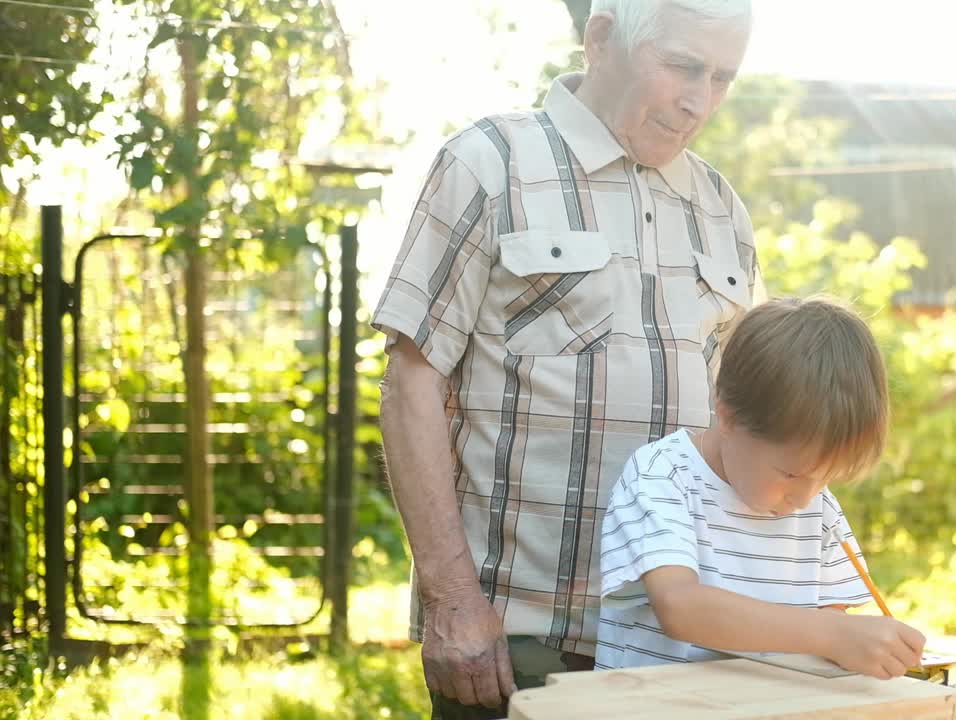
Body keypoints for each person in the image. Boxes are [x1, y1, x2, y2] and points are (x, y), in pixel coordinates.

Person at [371, 0, 760, 717]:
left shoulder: (719, 206)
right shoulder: (490, 163)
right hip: (519, 641)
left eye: (722, 77)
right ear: (601, 37)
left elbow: (743, 431)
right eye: (681, 66)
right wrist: (453, 600)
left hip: (677, 644)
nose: (698, 102)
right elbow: (410, 384)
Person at [594, 297, 927, 678]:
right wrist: (833, 635)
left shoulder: (819, 505)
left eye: (825, 477)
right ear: (729, 417)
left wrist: (864, 648)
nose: (805, 499)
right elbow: (680, 607)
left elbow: (828, 636)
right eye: (790, 474)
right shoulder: (663, 476)